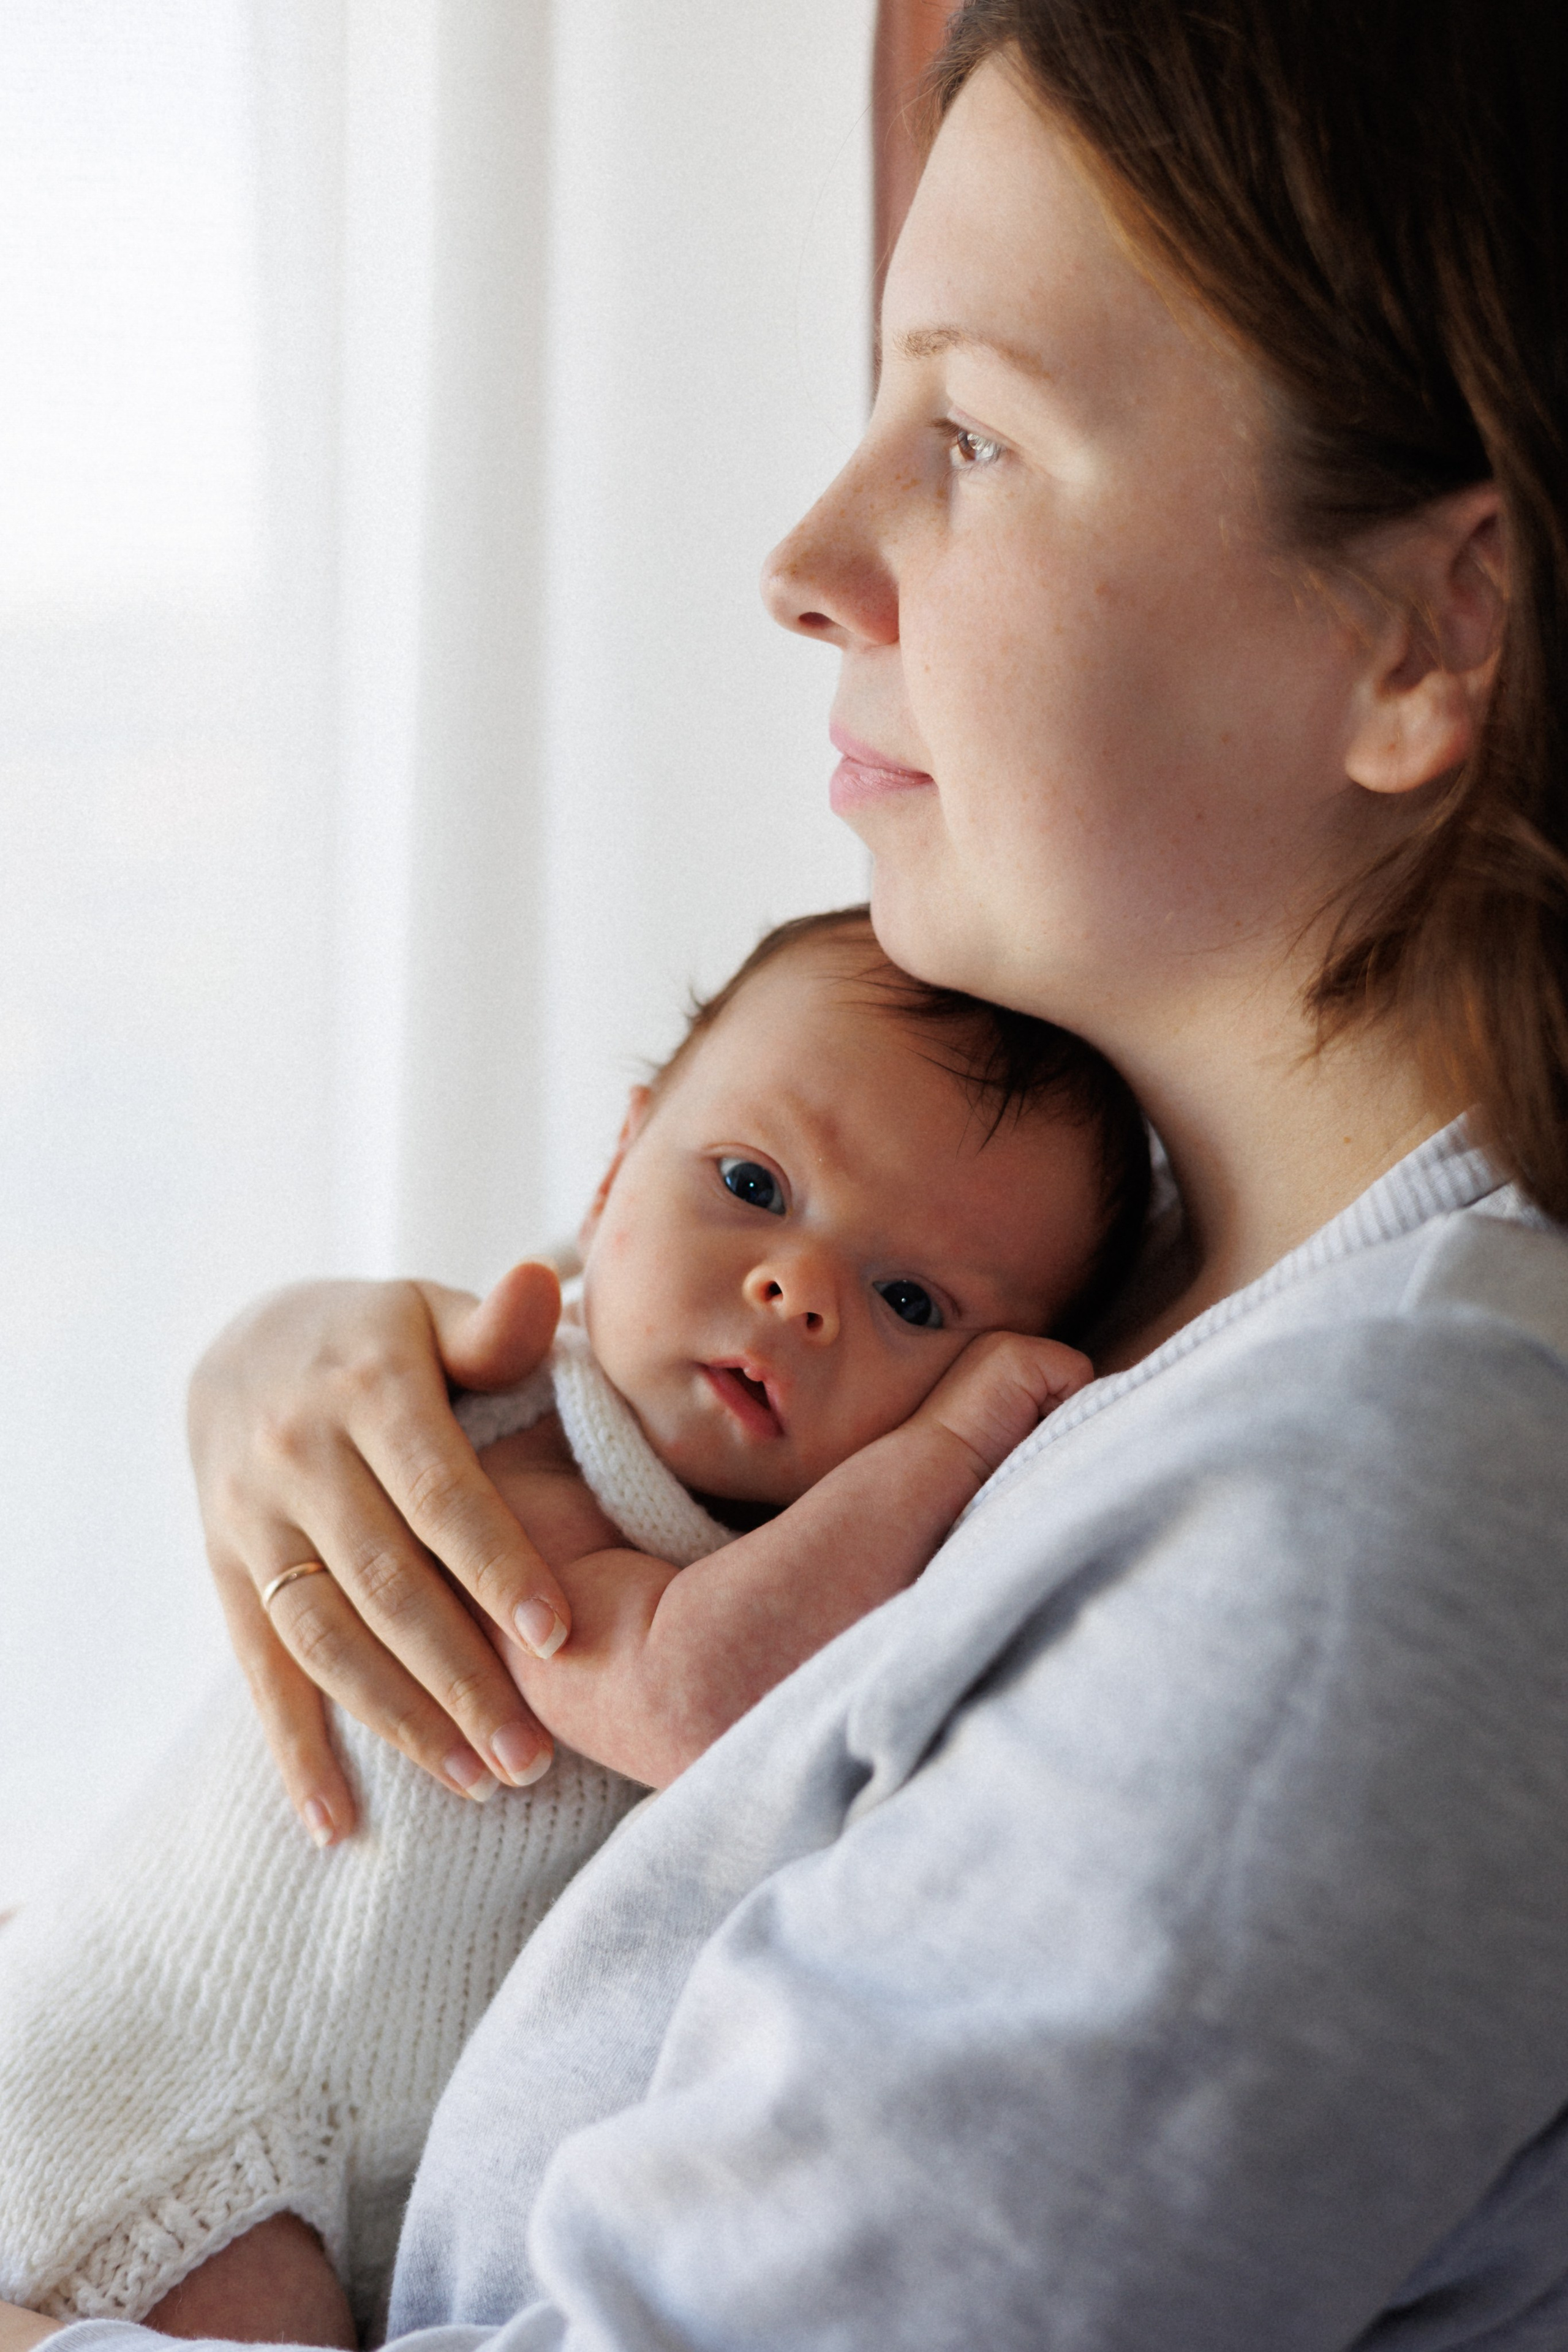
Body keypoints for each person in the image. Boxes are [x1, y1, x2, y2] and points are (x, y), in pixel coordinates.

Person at [6, 0, 1568, 2343]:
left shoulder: (1379, 1535)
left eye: (968, 428)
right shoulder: (1179, 1348)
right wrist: (306, 1380)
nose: (808, 558)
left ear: (1429, 634)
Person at [0, 906, 1147, 2342]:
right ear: (616, 1162)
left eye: (910, 1299)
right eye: (749, 1180)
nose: (794, 1293)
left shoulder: (720, 1507)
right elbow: (692, 1698)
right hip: (175, 2107)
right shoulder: (542, 1459)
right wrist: (955, 1440)